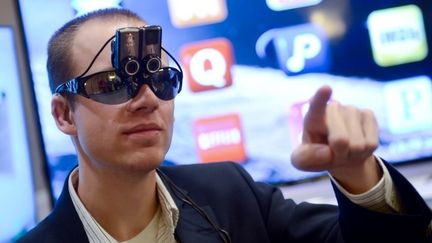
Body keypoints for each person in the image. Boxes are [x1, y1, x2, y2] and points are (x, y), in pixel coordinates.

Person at [17, 8, 431, 243]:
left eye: (161, 79)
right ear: (64, 114)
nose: (147, 100)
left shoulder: (232, 194)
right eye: (113, 84)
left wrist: (356, 174)